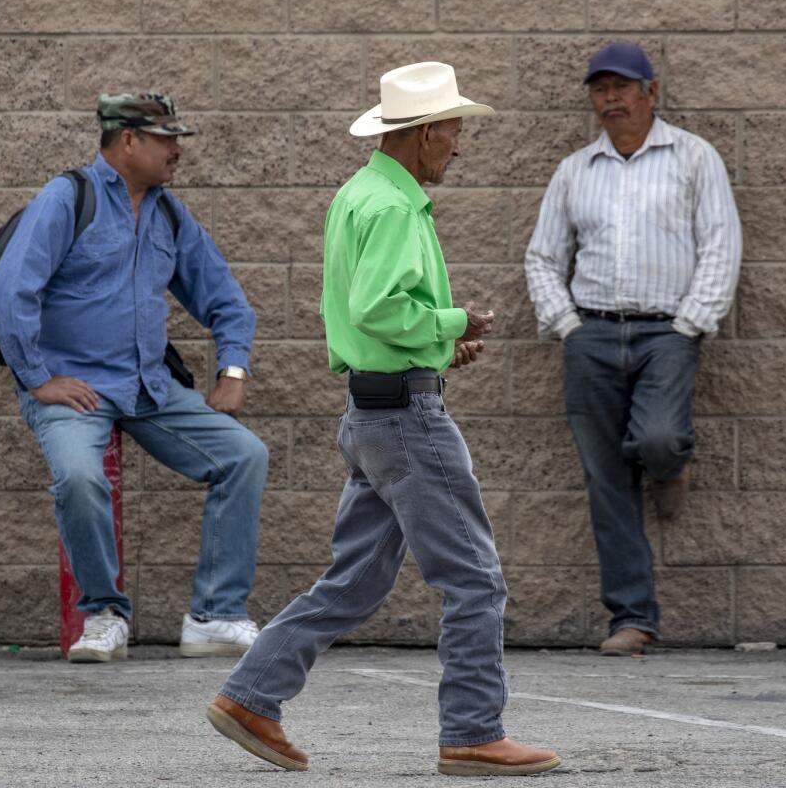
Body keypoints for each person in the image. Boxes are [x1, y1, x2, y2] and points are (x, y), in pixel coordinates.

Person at [206, 62, 561, 777]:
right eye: (455, 130)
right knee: (475, 579)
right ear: (426, 132)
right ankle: (472, 732)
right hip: (406, 417)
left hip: (372, 412)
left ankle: (251, 696)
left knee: (356, 581)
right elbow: (378, 309)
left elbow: (360, 315)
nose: (460, 145)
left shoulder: (359, 194)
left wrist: (436, 344)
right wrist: (455, 319)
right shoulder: (397, 208)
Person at [0, 93, 269, 662]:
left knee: (245, 457)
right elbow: (9, 291)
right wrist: (39, 378)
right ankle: (104, 615)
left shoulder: (168, 213)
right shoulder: (68, 198)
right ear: (128, 142)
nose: (177, 151)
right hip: (76, 392)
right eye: (166, 140)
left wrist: (232, 369)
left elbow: (226, 301)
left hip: (149, 390)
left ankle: (214, 616)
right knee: (80, 478)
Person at [525, 42, 742, 656]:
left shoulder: (694, 158)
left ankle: (669, 465)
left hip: (666, 333)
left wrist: (691, 323)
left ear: (652, 93)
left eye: (623, 87)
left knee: (657, 438)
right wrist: (567, 325)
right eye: (601, 89)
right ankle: (632, 619)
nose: (611, 99)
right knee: (606, 482)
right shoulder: (575, 171)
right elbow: (543, 256)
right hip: (589, 334)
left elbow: (721, 243)